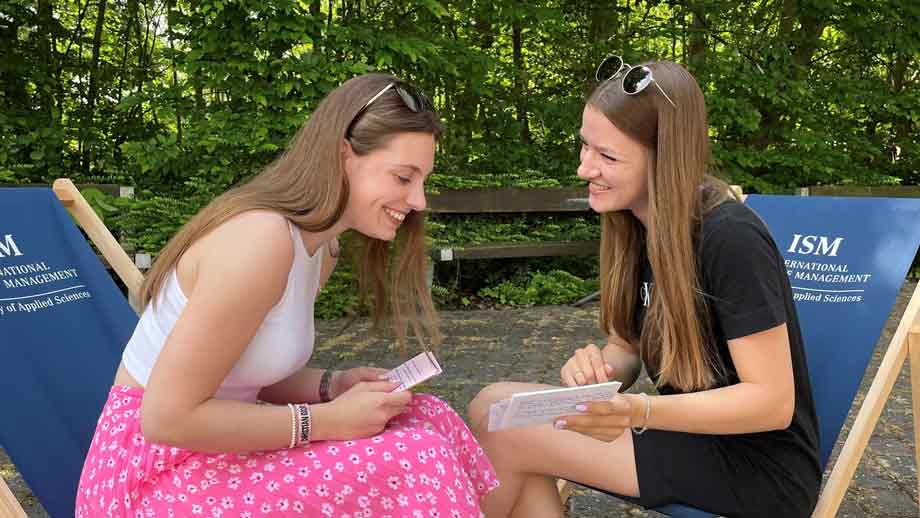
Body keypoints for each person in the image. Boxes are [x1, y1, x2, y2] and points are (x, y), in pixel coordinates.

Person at [76, 73, 498, 518]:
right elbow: (166, 418)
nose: (418, 201)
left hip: (212, 453)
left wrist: (332, 386)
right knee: (415, 459)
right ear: (343, 155)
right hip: (151, 474)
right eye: (403, 177)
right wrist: (327, 421)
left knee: (425, 417)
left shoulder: (320, 247)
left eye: (423, 181)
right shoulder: (260, 241)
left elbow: (241, 367)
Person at [468, 58, 820, 518]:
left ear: (664, 160)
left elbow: (771, 403)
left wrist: (637, 411)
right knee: (491, 405)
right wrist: (596, 369)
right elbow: (627, 346)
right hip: (694, 440)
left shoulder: (730, 238)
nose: (583, 169)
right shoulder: (635, 226)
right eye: (585, 147)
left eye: (607, 156)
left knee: (507, 433)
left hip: (758, 467)